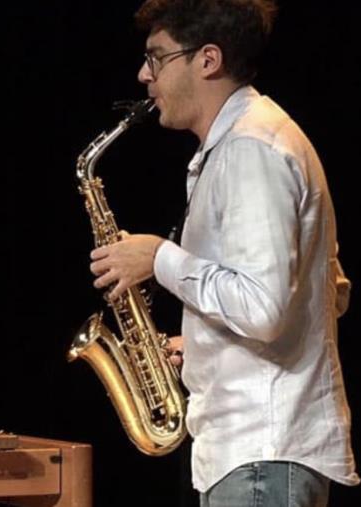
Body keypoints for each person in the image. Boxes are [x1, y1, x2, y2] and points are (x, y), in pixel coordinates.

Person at [88, 1, 358, 505]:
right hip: (257, 455)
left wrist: (159, 258)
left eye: (158, 57)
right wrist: (208, 342)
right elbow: (328, 291)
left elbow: (264, 307)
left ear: (207, 59)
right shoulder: (247, 140)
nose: (144, 75)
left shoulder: (250, 148)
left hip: (261, 455)